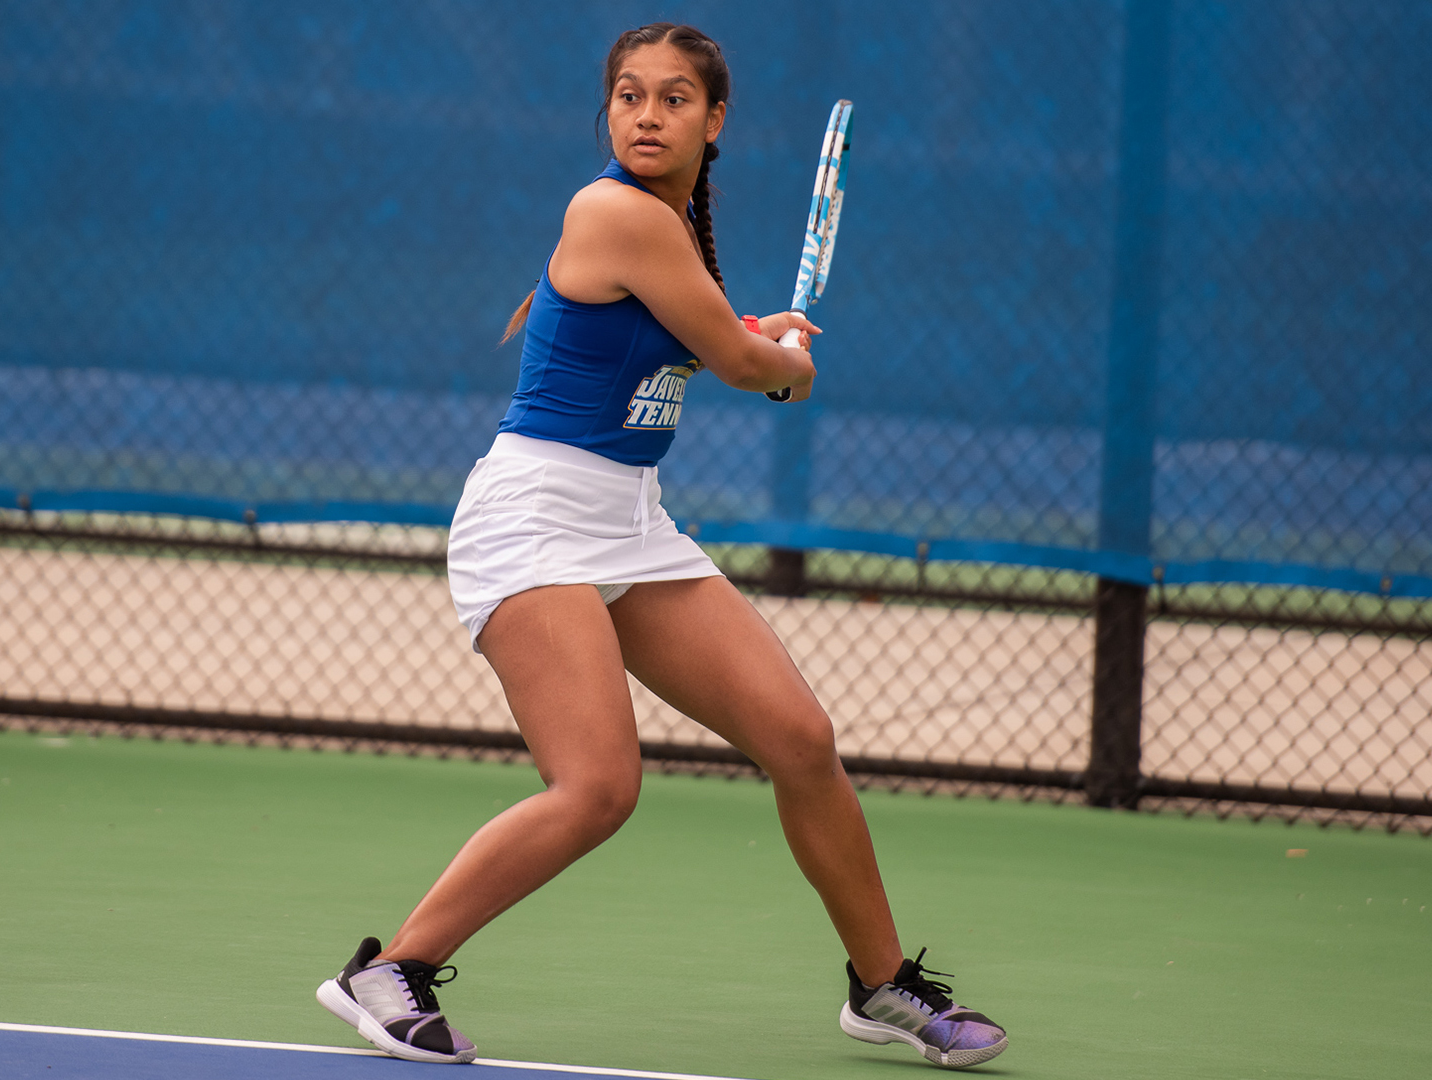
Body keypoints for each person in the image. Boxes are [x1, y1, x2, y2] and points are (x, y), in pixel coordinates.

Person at [316, 22, 1007, 1071]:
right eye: (630, 96)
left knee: (800, 740)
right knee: (597, 787)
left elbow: (704, 334)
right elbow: (741, 364)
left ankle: (880, 985)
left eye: (674, 98)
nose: (647, 114)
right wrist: (779, 361)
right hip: (532, 519)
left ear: (713, 118)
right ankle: (392, 971)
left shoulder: (669, 234)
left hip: (628, 524)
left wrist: (753, 333)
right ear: (609, 113)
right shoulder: (613, 211)